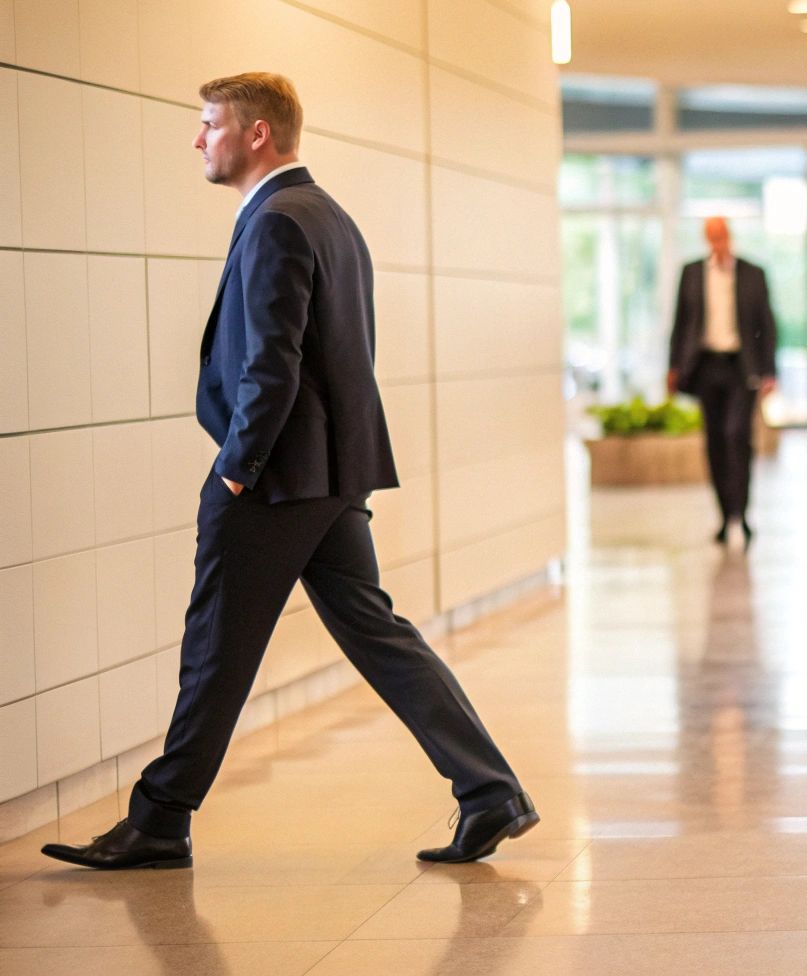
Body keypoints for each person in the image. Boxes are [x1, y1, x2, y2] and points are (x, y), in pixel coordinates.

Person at [42, 73, 536, 872]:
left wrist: (237, 469)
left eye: (209, 124)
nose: (199, 140)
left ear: (257, 134)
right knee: (377, 634)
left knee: (216, 645)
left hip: (275, 476)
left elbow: (273, 362)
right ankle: (489, 793)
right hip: (329, 471)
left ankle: (161, 818)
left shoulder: (276, 221)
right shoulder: (327, 215)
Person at [667, 217, 778, 546]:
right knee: (714, 440)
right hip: (705, 367)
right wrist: (673, 368)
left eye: (721, 236)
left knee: (737, 435)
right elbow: (681, 324)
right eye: (711, 237)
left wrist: (770, 370)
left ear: (729, 237)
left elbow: (766, 323)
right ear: (706, 239)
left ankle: (741, 513)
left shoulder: (751, 274)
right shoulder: (691, 273)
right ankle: (723, 513)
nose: (717, 243)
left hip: (740, 368)